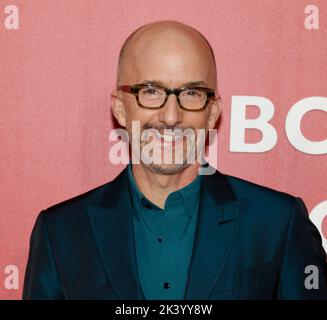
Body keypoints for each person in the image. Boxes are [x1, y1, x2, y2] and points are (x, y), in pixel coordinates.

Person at [23, 20, 327, 300]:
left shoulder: (277, 222)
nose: (171, 116)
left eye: (191, 92)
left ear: (212, 112)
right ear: (119, 108)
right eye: (151, 91)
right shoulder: (60, 231)